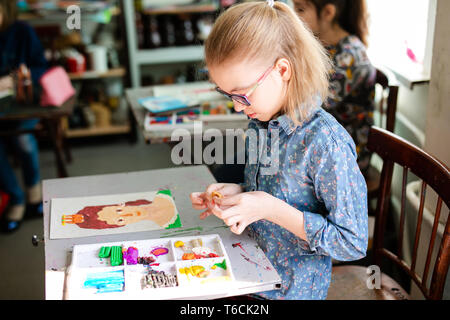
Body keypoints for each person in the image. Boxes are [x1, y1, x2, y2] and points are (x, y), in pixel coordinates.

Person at [190, 1, 368, 300]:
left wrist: (270, 209)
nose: (236, 106)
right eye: (227, 94)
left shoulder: (325, 144)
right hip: (253, 274)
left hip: (292, 291)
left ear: (282, 69)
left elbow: (351, 242)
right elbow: (280, 190)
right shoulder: (262, 121)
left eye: (242, 94)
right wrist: (238, 193)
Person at [293, 0, 376, 177]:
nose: (294, 16)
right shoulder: (323, 46)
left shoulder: (351, 55)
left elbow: (310, 107)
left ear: (328, 13)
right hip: (314, 141)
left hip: (344, 155)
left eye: (300, 9)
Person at [0, 0, 48, 232]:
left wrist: (15, 78)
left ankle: (34, 194)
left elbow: (42, 68)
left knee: (22, 139)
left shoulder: (22, 32)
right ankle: (16, 198)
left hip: (25, 103)